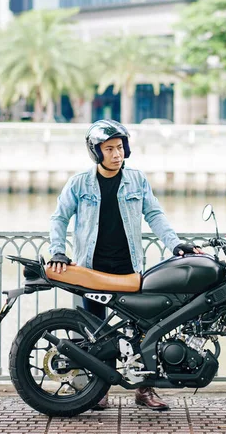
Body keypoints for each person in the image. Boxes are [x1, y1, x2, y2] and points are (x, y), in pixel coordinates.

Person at [48, 119, 202, 411]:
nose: (117, 154)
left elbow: (155, 214)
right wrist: (57, 251)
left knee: (144, 329)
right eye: (109, 149)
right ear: (96, 152)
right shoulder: (80, 182)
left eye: (120, 147)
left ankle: (145, 390)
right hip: (91, 271)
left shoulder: (137, 179)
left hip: (129, 271)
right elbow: (59, 217)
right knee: (94, 334)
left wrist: (176, 244)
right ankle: (97, 391)